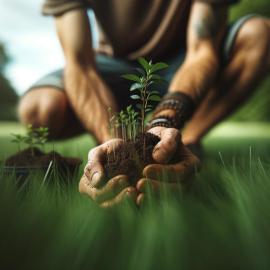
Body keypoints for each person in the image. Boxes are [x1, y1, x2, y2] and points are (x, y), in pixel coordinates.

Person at [18, 0, 270, 207]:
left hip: (183, 61)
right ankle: (116, 143)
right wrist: (118, 151)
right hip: (112, 66)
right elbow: (80, 64)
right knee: (39, 109)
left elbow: (202, 49)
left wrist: (164, 120)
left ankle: (186, 141)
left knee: (260, 34)